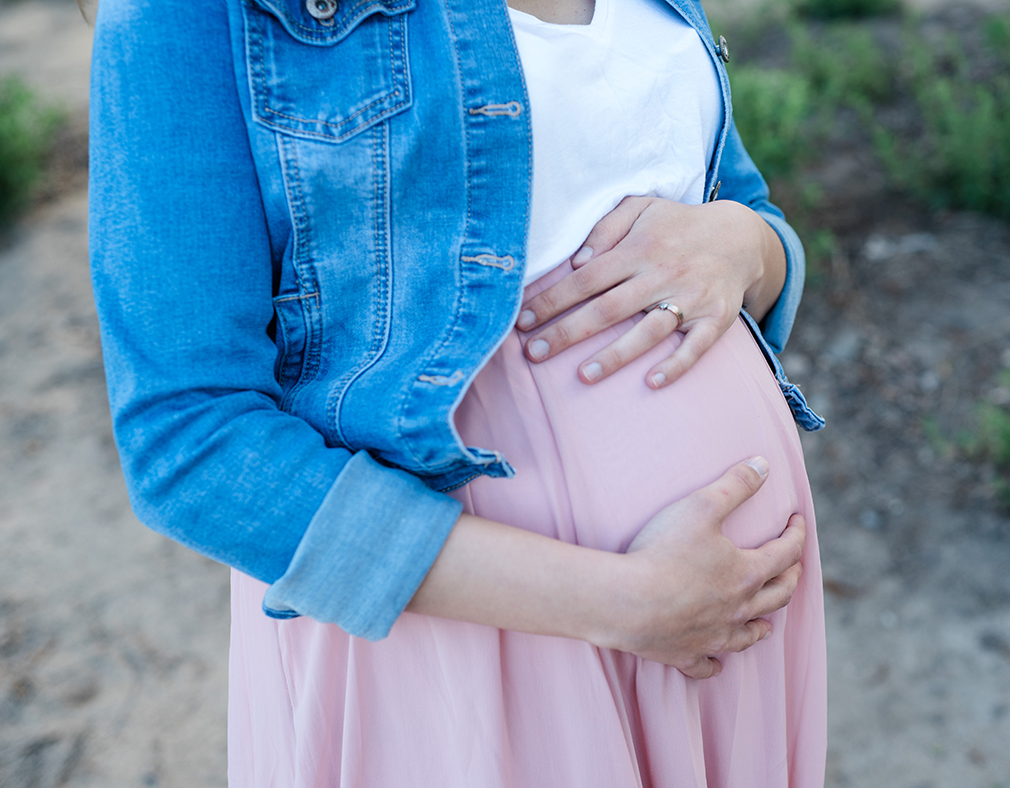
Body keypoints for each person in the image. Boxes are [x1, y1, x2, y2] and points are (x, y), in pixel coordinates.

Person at [88, 0, 827, 785]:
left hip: (723, 612)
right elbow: (189, 442)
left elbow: (736, 203)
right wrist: (625, 603)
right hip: (489, 637)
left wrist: (746, 245)